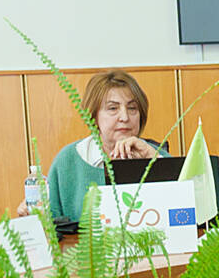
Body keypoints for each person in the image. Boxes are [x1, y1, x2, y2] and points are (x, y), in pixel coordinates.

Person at [45, 69, 168, 227]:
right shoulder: (67, 162)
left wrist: (157, 162)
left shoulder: (157, 155)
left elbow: (190, 210)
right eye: (112, 108)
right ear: (93, 116)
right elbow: (50, 228)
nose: (124, 117)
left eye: (132, 108)